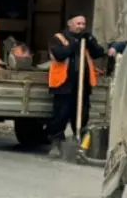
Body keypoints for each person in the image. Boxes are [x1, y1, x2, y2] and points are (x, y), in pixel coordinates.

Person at [45, 14, 105, 159]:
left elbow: (99, 52)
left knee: (82, 116)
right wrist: (74, 43)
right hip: (64, 85)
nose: (81, 27)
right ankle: (56, 143)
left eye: (83, 24)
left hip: (82, 86)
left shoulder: (86, 38)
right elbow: (59, 55)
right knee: (60, 115)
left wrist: (90, 41)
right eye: (78, 24)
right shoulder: (58, 39)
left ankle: (81, 146)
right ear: (69, 24)